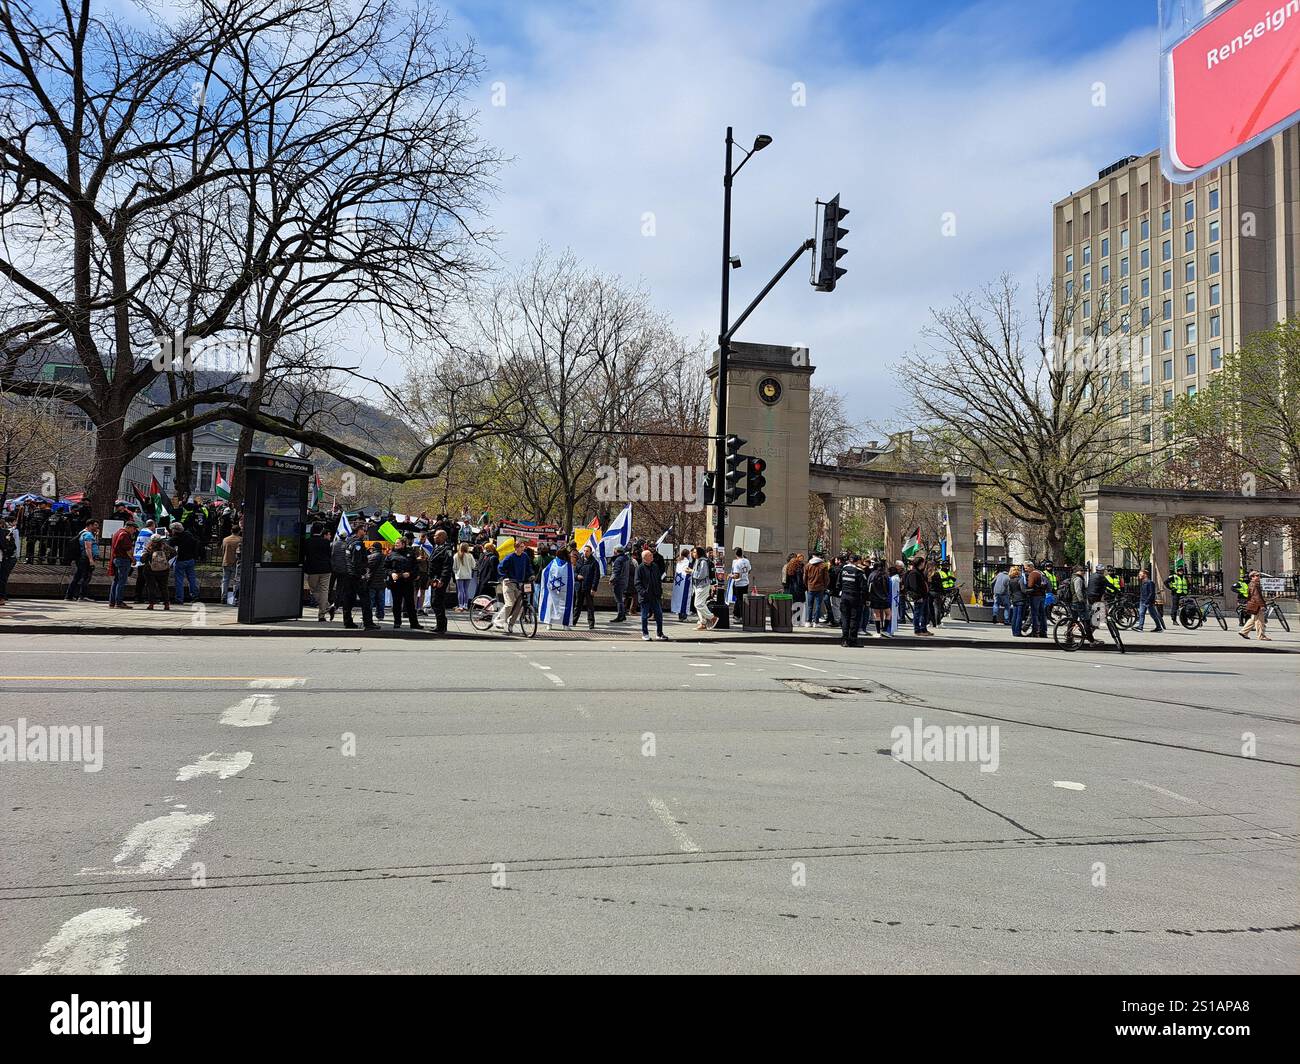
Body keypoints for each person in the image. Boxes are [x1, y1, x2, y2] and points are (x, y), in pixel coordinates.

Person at [342, 527, 376, 630]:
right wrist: (361, 574)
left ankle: (347, 622)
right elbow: (356, 561)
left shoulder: (348, 541)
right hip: (356, 575)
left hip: (348, 574)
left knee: (349, 599)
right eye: (363, 530)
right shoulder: (358, 544)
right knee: (365, 599)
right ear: (358, 531)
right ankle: (368, 623)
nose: (365, 532)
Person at [495, 539, 530, 634]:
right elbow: (500, 567)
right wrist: (505, 577)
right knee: (510, 603)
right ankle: (499, 621)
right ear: (516, 548)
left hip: (519, 584)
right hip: (509, 583)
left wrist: (531, 575)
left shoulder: (525, 556)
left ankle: (511, 624)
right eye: (522, 547)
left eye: (524, 547)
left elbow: (528, 567)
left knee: (519, 606)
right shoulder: (510, 557)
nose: (523, 548)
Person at [388, 533, 422, 630]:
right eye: (395, 543)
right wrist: (391, 573)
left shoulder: (410, 554)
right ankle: (397, 622)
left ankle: (414, 623)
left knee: (410, 604)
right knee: (396, 604)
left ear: (403, 544)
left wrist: (410, 574)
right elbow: (385, 568)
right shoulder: (391, 554)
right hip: (396, 583)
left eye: (398, 543)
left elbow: (415, 567)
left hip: (407, 582)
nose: (396, 545)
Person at [65, 519, 100, 601]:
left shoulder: (83, 532)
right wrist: (91, 560)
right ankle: (82, 596)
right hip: (86, 559)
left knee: (77, 577)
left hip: (82, 558)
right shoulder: (88, 535)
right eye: (95, 525)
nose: (97, 527)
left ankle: (69, 595)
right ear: (90, 525)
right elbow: (88, 548)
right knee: (86, 577)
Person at [636, 547, 667, 640]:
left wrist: (660, 591)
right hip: (645, 596)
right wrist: (643, 592)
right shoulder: (640, 568)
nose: (652, 556)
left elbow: (658, 579)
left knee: (659, 615)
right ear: (645, 557)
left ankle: (659, 633)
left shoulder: (655, 566)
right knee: (644, 616)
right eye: (650, 555)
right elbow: (637, 583)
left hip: (655, 595)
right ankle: (645, 634)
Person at [426, 529, 453, 633]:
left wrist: (442, 579)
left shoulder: (447, 549)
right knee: (435, 601)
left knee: (436, 601)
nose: (434, 537)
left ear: (442, 537)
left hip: (440, 579)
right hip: (434, 578)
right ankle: (440, 624)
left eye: (436, 536)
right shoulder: (436, 547)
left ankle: (441, 625)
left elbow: (447, 566)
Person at [107, 518, 138, 609]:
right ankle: (119, 602)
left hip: (116, 559)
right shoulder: (124, 535)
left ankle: (112, 602)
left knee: (116, 580)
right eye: (133, 528)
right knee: (121, 581)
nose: (134, 530)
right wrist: (133, 559)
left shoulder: (117, 533)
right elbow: (128, 549)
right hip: (123, 560)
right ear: (128, 527)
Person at [304, 523, 331, 620]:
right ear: (321, 531)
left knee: (314, 590)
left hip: (312, 569)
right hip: (326, 569)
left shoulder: (307, 542)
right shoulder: (326, 542)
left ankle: (326, 608)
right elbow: (329, 555)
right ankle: (323, 612)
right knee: (324, 591)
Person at [169, 521, 200, 605]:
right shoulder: (189, 535)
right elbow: (196, 543)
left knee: (179, 580)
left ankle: (179, 598)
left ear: (175, 530)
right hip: (190, 559)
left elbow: (169, 544)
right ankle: (195, 595)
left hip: (180, 560)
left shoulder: (175, 538)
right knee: (192, 578)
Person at [838, 553, 865, 647]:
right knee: (854, 618)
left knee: (845, 618)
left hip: (844, 596)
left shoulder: (843, 570)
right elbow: (863, 587)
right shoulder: (859, 572)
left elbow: (838, 584)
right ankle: (853, 640)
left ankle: (845, 640)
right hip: (855, 597)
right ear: (857, 561)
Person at [141, 530, 173, 610]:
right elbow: (174, 552)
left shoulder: (148, 547)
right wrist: (167, 559)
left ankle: (151, 604)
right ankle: (166, 604)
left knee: (151, 587)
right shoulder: (165, 547)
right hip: (164, 570)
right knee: (164, 587)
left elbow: (142, 559)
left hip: (150, 569)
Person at [574, 543, 600, 630]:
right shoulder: (579, 561)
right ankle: (574, 621)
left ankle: (591, 624)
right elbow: (574, 572)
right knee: (577, 605)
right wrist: (577, 576)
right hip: (579, 587)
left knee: (590, 606)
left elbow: (596, 576)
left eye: (587, 551)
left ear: (591, 552)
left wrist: (594, 588)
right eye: (584, 551)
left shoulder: (594, 563)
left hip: (588, 588)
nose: (585, 553)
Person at [1239, 570, 1270, 641]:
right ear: (1252, 577)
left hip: (1254, 604)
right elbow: (1256, 596)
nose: (1259, 577)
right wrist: (1262, 605)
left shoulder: (1254, 584)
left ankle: (1244, 632)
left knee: (1253, 619)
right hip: (1256, 604)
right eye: (1257, 576)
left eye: (1259, 575)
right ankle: (1261, 636)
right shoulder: (1254, 584)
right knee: (1260, 621)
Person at [904, 556, 931, 636]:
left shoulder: (919, 572)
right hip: (919, 597)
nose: (924, 564)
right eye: (923, 562)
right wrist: (919, 596)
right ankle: (917, 630)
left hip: (924, 596)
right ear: (920, 563)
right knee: (918, 613)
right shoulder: (914, 573)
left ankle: (923, 629)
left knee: (924, 614)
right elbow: (914, 587)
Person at [691, 546, 714, 630]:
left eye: (694, 552)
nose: (693, 554)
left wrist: (691, 572)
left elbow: (702, 575)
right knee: (700, 604)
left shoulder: (703, 561)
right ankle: (702, 623)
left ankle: (712, 617)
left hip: (703, 585)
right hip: (697, 585)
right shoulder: (697, 561)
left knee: (698, 604)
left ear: (699, 553)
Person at [1025, 561, 1048, 638]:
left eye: (1026, 568)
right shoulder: (1040, 572)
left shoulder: (1033, 574)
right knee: (1042, 614)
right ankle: (1043, 631)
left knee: (1034, 614)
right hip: (1043, 595)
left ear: (1031, 566)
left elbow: (1030, 585)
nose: (1025, 570)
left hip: (1035, 596)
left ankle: (1035, 631)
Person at [804, 555, 829, 627]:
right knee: (818, 605)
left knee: (810, 605)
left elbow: (804, 577)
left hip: (810, 587)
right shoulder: (823, 566)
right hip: (820, 588)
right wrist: (825, 586)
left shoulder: (808, 565)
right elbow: (826, 578)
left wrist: (807, 585)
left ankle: (808, 621)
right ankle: (816, 622)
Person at [609, 545, 631, 622]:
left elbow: (616, 571)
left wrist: (611, 580)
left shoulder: (618, 560)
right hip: (624, 581)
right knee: (621, 598)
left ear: (616, 551)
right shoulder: (626, 558)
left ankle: (620, 615)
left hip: (618, 582)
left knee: (619, 600)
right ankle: (623, 615)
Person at [452, 541, 475, 611]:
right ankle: (466, 605)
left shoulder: (456, 555)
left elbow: (454, 566)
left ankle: (460, 605)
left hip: (459, 575)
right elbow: (473, 566)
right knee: (466, 590)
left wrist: (456, 572)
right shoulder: (470, 556)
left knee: (460, 591)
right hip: (468, 575)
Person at [731, 547, 751, 621]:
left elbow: (737, 575)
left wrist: (731, 576)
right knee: (740, 600)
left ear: (736, 554)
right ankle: (736, 614)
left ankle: (741, 616)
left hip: (739, 584)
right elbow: (749, 570)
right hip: (745, 583)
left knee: (740, 601)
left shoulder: (737, 563)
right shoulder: (747, 561)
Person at [0, 516, 17, 605]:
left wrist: (6, 550)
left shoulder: (6, 533)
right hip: (6, 558)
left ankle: (2, 597)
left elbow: (12, 547)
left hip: (6, 558)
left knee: (2, 578)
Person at [1006, 564, 1025, 636]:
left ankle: (1014, 631)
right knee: (1019, 616)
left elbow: (1009, 591)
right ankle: (1018, 632)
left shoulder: (1010, 580)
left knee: (1014, 616)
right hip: (1021, 599)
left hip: (1014, 599)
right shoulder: (1020, 579)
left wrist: (1012, 598)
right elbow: (1023, 589)